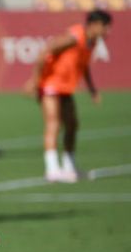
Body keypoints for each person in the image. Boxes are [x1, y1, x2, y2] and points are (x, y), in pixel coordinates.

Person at [26, 9, 112, 183]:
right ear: (94, 25)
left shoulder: (91, 42)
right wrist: (35, 80)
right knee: (54, 123)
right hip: (50, 84)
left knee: (72, 125)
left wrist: (92, 90)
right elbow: (46, 50)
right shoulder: (74, 37)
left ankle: (69, 166)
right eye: (105, 26)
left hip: (65, 87)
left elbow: (84, 66)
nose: (107, 31)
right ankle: (52, 169)